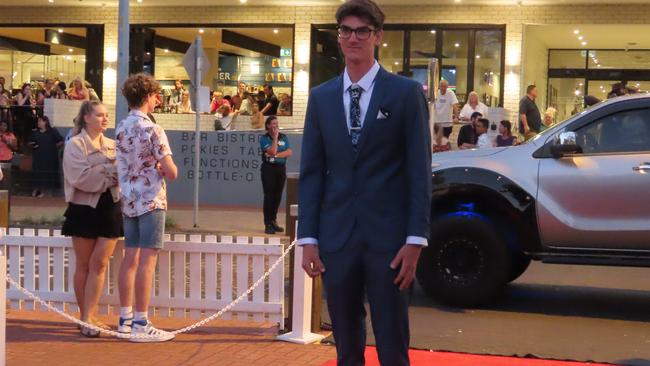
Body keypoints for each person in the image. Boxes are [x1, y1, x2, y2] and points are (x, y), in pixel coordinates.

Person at [298, 1, 431, 365]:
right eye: (345, 30)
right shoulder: (321, 97)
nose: (353, 38)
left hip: (389, 240)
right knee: (345, 338)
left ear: (377, 36)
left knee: (392, 338)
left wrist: (415, 239)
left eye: (361, 31)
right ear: (339, 37)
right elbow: (311, 172)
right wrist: (308, 238)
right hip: (337, 236)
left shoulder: (405, 94)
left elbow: (419, 170)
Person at [116, 73, 178, 343]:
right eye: (155, 95)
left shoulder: (121, 127)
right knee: (147, 262)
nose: (157, 100)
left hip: (129, 198)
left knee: (130, 258)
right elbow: (172, 171)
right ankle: (142, 321)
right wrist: (158, 167)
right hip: (151, 199)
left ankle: (125, 319)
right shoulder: (153, 128)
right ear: (147, 97)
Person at [62, 100, 122, 337]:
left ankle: (90, 315)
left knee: (100, 263)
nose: (105, 119)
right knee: (84, 264)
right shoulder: (74, 145)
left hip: (110, 208)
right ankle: (86, 317)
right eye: (99, 115)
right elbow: (80, 177)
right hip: (83, 208)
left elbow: (122, 173)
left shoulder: (113, 144)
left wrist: (103, 171)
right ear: (86, 117)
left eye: (107, 115)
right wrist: (109, 172)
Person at [260, 116, 292, 234]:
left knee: (277, 196)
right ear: (268, 125)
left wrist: (276, 155)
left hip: (280, 169)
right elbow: (272, 151)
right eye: (273, 124)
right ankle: (267, 223)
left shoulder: (284, 137)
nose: (276, 126)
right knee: (269, 196)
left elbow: (289, 152)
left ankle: (273, 220)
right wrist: (275, 138)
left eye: (277, 123)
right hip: (269, 169)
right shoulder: (264, 139)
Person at [29, 115, 64, 197]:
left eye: (40, 121)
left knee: (46, 173)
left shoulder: (52, 131)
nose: (38, 123)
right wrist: (32, 145)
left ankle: (44, 191)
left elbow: (61, 140)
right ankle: (35, 190)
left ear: (45, 122)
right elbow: (30, 142)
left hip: (49, 157)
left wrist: (54, 147)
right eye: (38, 121)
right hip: (38, 156)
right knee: (37, 173)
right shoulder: (35, 132)